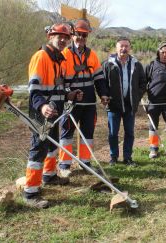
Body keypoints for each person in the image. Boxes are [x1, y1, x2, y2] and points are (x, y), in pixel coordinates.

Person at [24, 23, 82, 208]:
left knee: (52, 145)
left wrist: (70, 95)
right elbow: (34, 89)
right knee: (38, 148)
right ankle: (31, 192)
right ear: (51, 36)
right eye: (59, 36)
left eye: (65, 37)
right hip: (41, 113)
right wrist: (41, 107)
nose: (63, 40)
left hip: (56, 111)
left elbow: (59, 88)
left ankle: (49, 176)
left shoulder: (60, 60)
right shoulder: (41, 57)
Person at [58, 19, 109, 177]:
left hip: (89, 102)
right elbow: (59, 81)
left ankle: (85, 163)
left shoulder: (92, 55)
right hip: (70, 103)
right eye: (78, 35)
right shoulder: (64, 54)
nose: (81, 38)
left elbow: (99, 78)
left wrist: (103, 94)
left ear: (87, 36)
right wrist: (68, 94)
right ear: (72, 35)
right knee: (66, 133)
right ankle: (64, 165)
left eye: (84, 35)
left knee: (88, 133)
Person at [102, 37, 147, 166]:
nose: (124, 48)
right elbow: (102, 83)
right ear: (116, 48)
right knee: (112, 133)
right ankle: (113, 157)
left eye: (126, 46)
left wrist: (137, 97)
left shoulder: (136, 64)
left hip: (130, 105)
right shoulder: (107, 64)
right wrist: (105, 95)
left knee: (130, 133)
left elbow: (143, 83)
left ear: (129, 48)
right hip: (113, 105)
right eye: (121, 46)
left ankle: (127, 158)